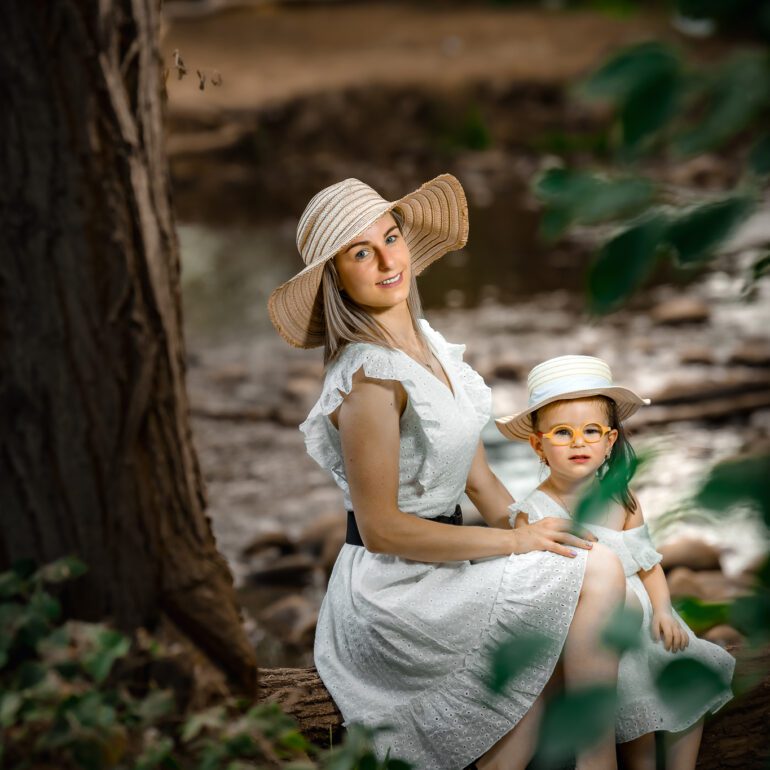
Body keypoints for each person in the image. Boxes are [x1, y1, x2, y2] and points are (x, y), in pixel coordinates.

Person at [268, 174, 628, 770]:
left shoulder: (429, 347)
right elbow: (382, 530)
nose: (389, 261)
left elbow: (477, 478)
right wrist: (516, 544)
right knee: (594, 576)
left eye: (391, 238)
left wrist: (530, 525)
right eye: (362, 253)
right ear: (336, 277)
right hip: (395, 591)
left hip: (447, 564)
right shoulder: (369, 380)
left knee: (584, 569)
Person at [496, 355, 736, 770]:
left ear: (609, 441)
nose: (578, 442)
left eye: (591, 431)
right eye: (562, 432)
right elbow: (532, 588)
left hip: (645, 621)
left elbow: (648, 564)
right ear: (538, 445)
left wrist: (664, 610)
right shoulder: (533, 514)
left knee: (690, 687)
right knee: (636, 730)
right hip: (594, 637)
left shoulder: (623, 500)